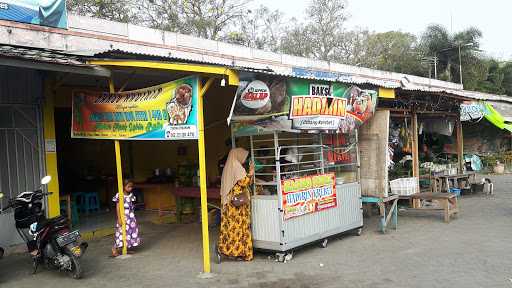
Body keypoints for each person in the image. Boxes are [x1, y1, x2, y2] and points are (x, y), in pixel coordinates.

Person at [217, 148, 255, 261]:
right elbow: (244, 182)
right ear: (238, 155)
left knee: (231, 229)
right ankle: (241, 253)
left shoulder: (228, 166)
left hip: (230, 204)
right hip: (237, 206)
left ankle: (229, 251)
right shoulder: (236, 165)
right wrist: (251, 172)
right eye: (243, 156)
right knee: (240, 229)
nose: (244, 159)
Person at [111, 180, 141, 257]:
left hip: (131, 218)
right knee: (120, 233)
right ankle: (114, 249)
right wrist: (119, 218)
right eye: (128, 186)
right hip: (123, 217)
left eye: (131, 187)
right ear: (124, 187)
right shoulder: (119, 195)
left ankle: (125, 249)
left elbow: (132, 206)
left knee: (129, 233)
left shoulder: (131, 195)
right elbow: (118, 208)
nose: (130, 188)